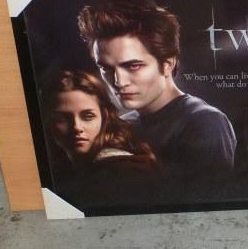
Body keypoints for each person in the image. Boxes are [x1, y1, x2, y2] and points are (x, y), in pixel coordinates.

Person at [77, 0, 236, 198]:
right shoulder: (122, 125)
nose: (118, 81)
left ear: (167, 64)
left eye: (133, 66)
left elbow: (211, 205)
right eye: (106, 68)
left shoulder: (206, 122)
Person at [42, 70, 162, 210]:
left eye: (88, 116)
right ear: (48, 121)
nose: (77, 127)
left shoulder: (127, 172)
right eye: (62, 118)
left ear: (104, 117)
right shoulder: (59, 170)